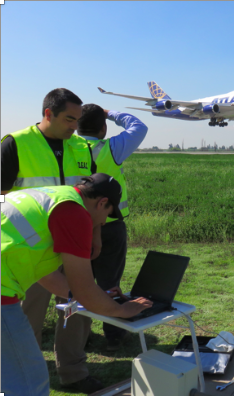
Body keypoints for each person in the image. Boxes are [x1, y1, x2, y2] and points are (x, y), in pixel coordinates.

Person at [1, 174, 153, 396]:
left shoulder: (49, 196)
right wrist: (121, 310)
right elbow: (83, 287)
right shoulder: (74, 212)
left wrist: (98, 296)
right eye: (107, 215)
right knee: (29, 382)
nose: (102, 222)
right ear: (102, 203)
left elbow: (47, 276)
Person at [0, 88, 104, 393]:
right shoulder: (15, 143)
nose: (75, 126)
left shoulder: (80, 147)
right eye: (69, 119)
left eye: (78, 119)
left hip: (73, 243)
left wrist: (95, 232)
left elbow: (91, 194)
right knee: (27, 313)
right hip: (31, 250)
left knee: (77, 308)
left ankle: (73, 372)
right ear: (48, 114)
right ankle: (25, 369)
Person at [76, 104, 148, 351]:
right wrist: (112, 113)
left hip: (75, 226)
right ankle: (115, 334)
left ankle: (77, 336)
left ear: (76, 125)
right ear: (103, 128)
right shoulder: (111, 148)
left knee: (76, 282)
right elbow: (139, 126)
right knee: (110, 280)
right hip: (112, 224)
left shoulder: (66, 149)